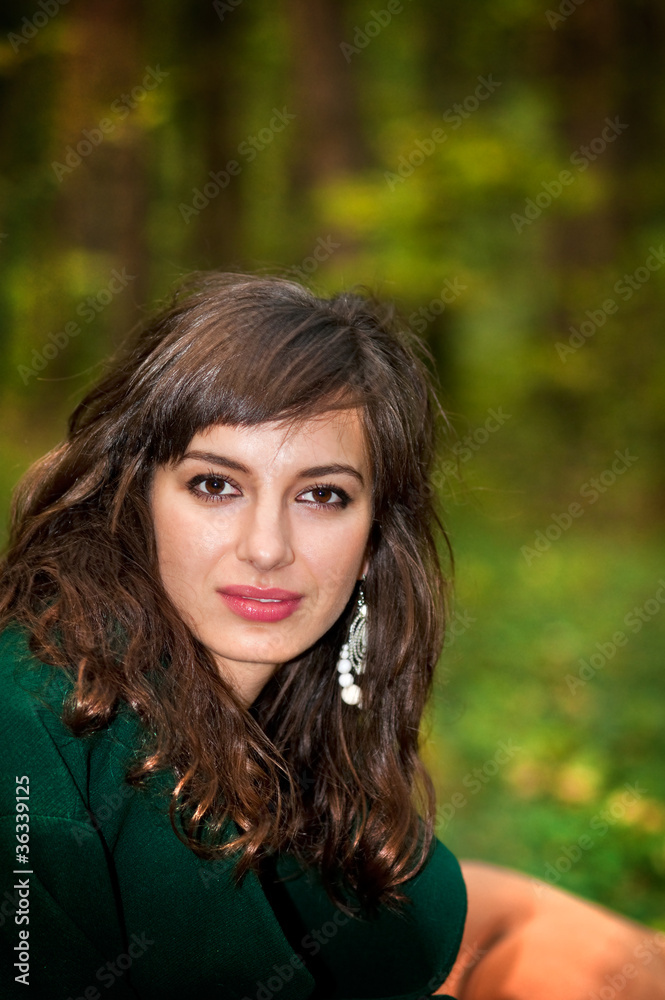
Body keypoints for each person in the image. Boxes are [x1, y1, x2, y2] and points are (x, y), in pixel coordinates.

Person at [0, 272, 663, 1000]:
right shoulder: (36, 726)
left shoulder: (288, 731)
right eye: (215, 484)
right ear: (131, 496)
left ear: (376, 536)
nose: (266, 547)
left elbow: (444, 921)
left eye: (322, 495)